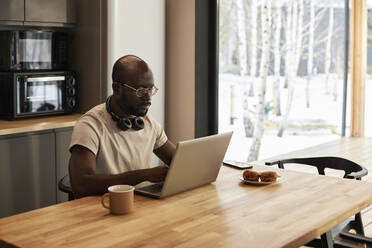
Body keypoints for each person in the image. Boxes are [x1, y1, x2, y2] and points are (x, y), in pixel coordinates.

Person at [68, 55, 176, 198]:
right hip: (103, 208)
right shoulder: (90, 125)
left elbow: (178, 160)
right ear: (117, 88)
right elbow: (81, 183)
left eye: (150, 90)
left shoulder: (149, 124)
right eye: (140, 91)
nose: (148, 98)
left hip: (139, 205)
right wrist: (144, 175)